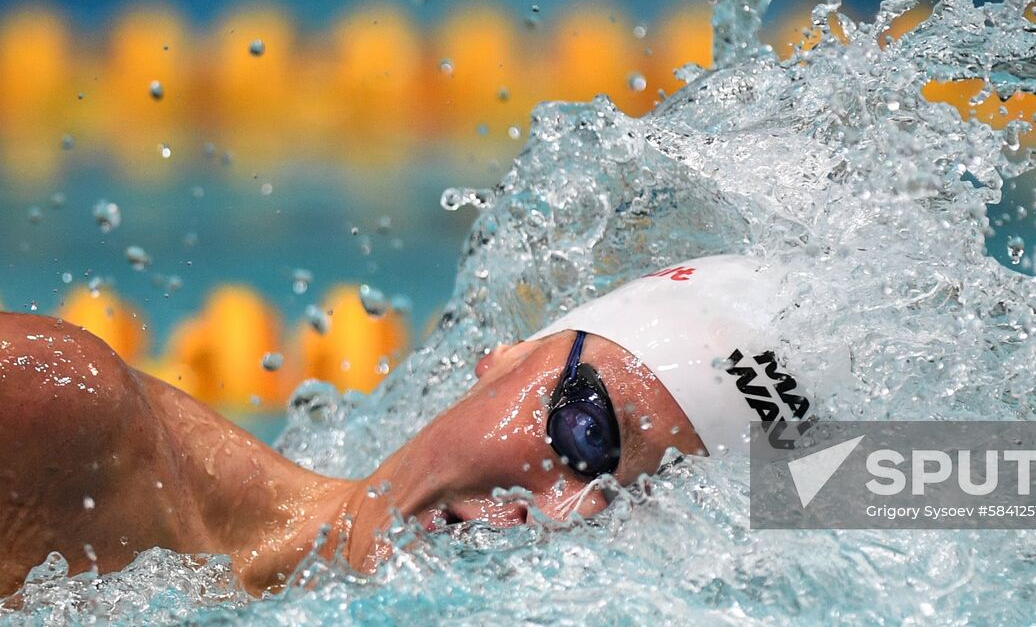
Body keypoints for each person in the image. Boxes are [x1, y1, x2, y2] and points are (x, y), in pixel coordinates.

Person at [0, 255, 815, 597]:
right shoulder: (61, 415)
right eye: (586, 431)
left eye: (636, 513)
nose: (561, 513)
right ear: (506, 356)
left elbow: (934, 491)